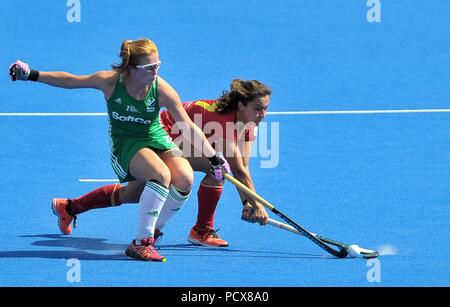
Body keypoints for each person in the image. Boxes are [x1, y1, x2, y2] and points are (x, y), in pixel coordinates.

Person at [9, 38, 230, 262]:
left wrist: (214, 157)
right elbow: (70, 81)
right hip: (125, 143)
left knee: (184, 178)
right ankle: (141, 243)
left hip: (156, 138)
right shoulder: (110, 82)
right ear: (131, 68)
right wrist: (31, 74)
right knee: (161, 175)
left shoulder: (161, 89)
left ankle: (152, 230)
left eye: (158, 65)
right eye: (149, 67)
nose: (156, 71)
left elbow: (187, 126)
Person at [33, 79, 272, 247]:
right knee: (213, 169)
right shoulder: (222, 120)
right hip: (162, 136)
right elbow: (238, 170)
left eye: (266, 109)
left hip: (186, 142)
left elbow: (244, 169)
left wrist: (247, 204)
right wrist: (255, 205)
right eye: (258, 109)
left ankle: (70, 207)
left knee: (134, 194)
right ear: (241, 105)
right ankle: (200, 231)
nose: (263, 114)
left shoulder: (249, 124)